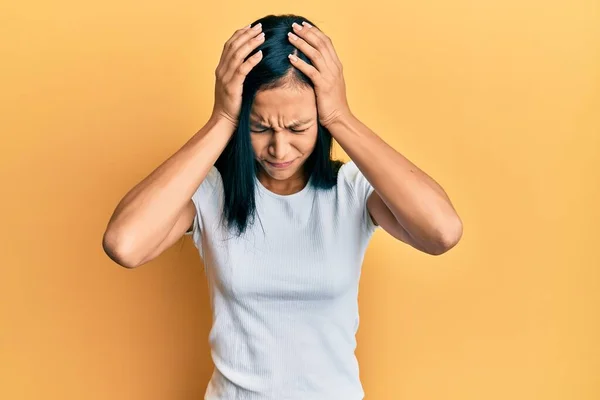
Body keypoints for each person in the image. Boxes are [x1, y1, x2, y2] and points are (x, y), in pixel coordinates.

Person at [102, 13, 463, 400]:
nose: (279, 149)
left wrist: (341, 116)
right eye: (259, 128)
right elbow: (125, 244)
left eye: (297, 128)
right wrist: (222, 118)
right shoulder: (210, 191)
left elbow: (442, 232)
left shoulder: (352, 190)